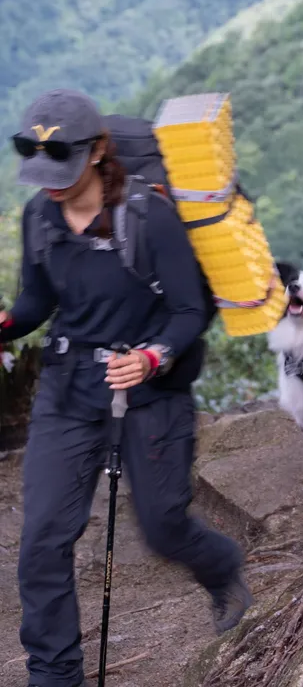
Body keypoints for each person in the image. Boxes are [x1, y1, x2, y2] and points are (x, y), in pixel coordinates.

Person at [1, 88, 252, 687]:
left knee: (163, 526)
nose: (50, 183)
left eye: (61, 166)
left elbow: (189, 312)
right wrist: (5, 327)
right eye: (41, 169)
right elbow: (36, 300)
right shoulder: (39, 216)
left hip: (149, 392)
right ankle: (54, 674)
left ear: (96, 152)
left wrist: (150, 357)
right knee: (40, 541)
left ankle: (222, 568)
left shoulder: (148, 216)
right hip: (68, 389)